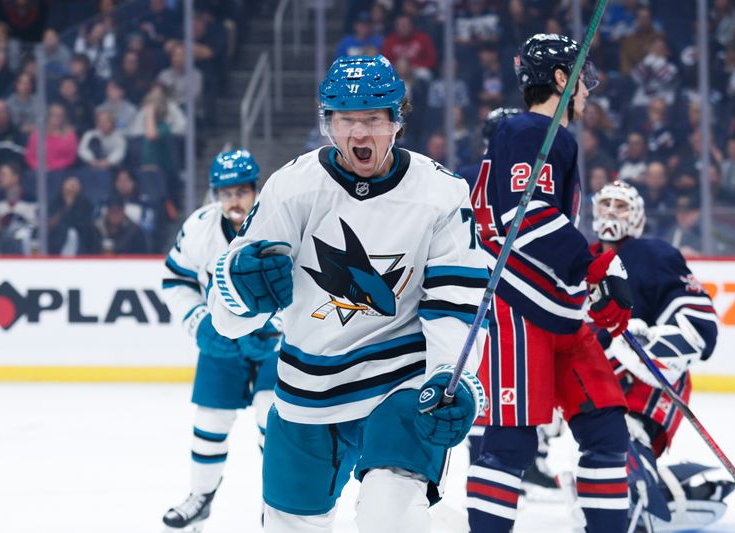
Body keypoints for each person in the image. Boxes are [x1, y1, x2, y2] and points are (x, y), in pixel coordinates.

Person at [208, 54, 488, 533]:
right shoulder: (291, 188)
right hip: (305, 390)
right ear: (327, 123)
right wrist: (238, 288)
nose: (359, 134)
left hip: (398, 383)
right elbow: (227, 319)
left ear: (397, 121)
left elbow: (455, 308)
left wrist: (453, 378)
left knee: (390, 520)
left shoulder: (441, 194)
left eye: (373, 119)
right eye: (346, 120)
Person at [465, 34, 633, 533]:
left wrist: (588, 284)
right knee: (509, 445)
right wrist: (597, 266)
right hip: (520, 311)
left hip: (560, 311)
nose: (586, 91)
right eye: (582, 80)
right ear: (562, 79)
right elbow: (526, 214)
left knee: (605, 430)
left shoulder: (541, 134)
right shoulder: (531, 129)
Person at [588, 181, 734, 530]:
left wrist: (646, 344)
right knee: (596, 462)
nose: (611, 211)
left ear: (637, 217)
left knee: (621, 441)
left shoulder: (653, 254)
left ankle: (644, 504)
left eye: (620, 206)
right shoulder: (582, 258)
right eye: (605, 204)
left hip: (644, 381)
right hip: (594, 380)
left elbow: (700, 328)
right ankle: (672, 490)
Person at [160, 149, 282, 531]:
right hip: (222, 340)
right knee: (210, 419)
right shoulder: (200, 226)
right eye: (225, 193)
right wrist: (201, 324)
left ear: (254, 190)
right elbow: (175, 280)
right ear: (215, 195)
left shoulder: (280, 222)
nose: (233, 200)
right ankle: (201, 498)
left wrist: (275, 327)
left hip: (275, 344)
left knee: (271, 416)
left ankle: (278, 506)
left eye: (241, 192)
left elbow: (306, 285)